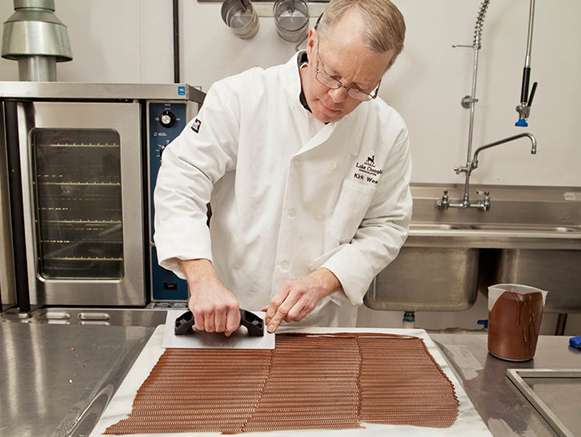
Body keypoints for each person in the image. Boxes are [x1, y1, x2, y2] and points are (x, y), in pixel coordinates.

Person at [154, 0, 412, 335]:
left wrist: (323, 281)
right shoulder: (242, 98)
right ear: (312, 41)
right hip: (232, 315)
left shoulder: (387, 129)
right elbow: (181, 180)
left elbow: (386, 226)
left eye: (360, 89)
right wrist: (202, 280)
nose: (337, 96)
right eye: (331, 74)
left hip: (323, 326)